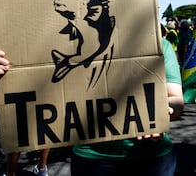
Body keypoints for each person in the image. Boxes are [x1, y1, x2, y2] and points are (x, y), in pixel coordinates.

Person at [69, 37, 183, 175]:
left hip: (150, 156)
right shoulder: (77, 44)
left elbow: (175, 99)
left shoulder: (159, 45)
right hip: (91, 155)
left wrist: (159, 113)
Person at [0, 50, 50, 176]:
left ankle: (13, 172)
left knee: (21, 130)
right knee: (43, 126)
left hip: (25, 80)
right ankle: (40, 169)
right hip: (41, 79)